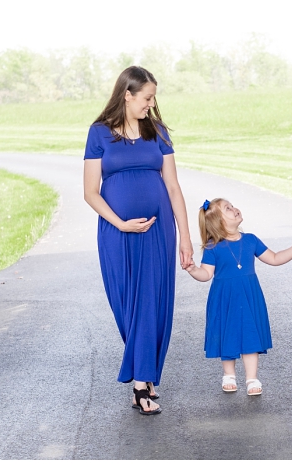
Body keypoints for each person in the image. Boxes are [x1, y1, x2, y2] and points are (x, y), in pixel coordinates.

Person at [83, 66, 193, 415]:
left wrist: (186, 238)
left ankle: (142, 382)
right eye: (146, 98)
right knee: (128, 305)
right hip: (117, 233)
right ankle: (144, 370)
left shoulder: (157, 132)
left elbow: (173, 187)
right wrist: (121, 224)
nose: (151, 104)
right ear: (127, 95)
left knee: (154, 302)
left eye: (153, 98)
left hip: (159, 232)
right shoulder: (99, 133)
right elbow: (90, 192)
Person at [185, 198, 292, 396]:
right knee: (228, 333)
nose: (235, 209)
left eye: (232, 205)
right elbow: (206, 274)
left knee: (250, 334)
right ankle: (229, 374)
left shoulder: (251, 240)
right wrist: (193, 269)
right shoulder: (213, 247)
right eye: (228, 208)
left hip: (249, 296)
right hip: (224, 298)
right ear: (219, 222)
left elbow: (275, 258)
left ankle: (252, 378)